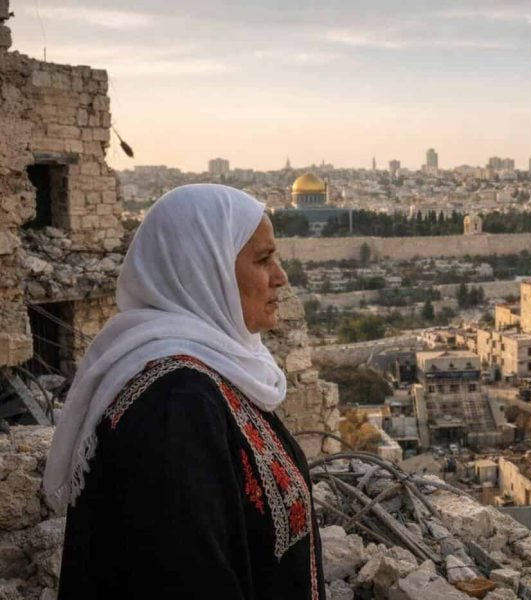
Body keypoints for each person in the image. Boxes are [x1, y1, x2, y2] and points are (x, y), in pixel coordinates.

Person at [43, 184, 326, 600]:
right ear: (203, 271)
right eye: (263, 260)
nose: (281, 277)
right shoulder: (175, 404)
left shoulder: (214, 372)